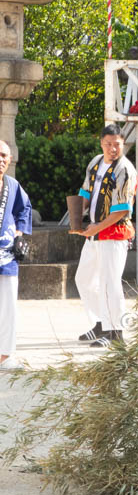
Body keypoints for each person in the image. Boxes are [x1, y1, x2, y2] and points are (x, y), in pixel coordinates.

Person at [72, 125, 138, 348]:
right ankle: (102, 322)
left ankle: (116, 333)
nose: (112, 149)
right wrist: (76, 218)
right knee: (83, 279)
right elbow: (85, 193)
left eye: (117, 144)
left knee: (110, 283)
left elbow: (121, 210)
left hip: (115, 233)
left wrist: (96, 227)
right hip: (94, 232)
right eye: (108, 144)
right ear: (101, 142)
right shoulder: (95, 162)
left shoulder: (125, 169)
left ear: (122, 144)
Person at [0, 141, 31, 370]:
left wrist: (20, 233)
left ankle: (6, 355)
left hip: (7, 256)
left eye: (4, 156)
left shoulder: (12, 186)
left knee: (9, 307)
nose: (1, 160)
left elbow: (24, 209)